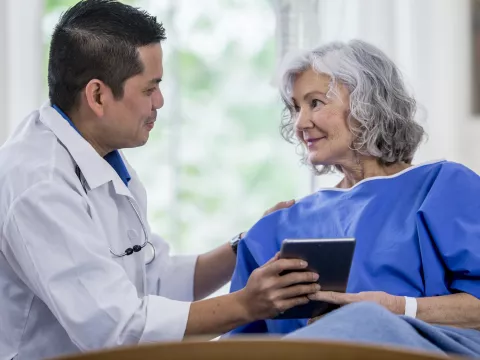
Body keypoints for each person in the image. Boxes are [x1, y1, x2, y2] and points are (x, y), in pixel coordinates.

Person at [0, 1, 321, 359]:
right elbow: (115, 327)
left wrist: (247, 243)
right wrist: (247, 304)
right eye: (149, 89)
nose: (161, 101)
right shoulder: (38, 183)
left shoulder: (104, 161)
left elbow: (153, 279)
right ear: (97, 95)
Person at [228, 40, 480, 357]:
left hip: (438, 350)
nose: (300, 123)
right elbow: (239, 345)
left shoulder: (444, 187)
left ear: (368, 104)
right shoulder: (274, 229)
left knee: (361, 321)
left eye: (315, 103)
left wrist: (399, 308)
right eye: (296, 108)